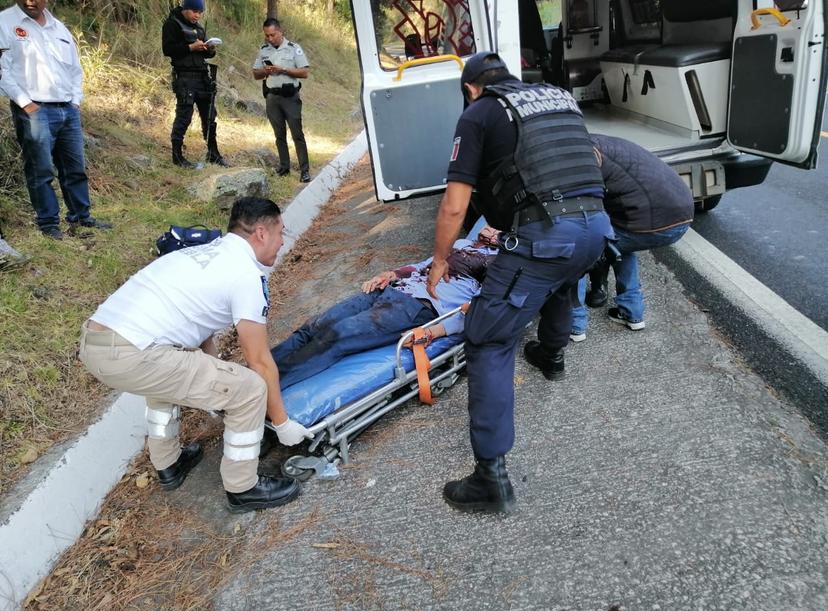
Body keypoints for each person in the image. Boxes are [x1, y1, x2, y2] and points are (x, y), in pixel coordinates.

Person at [426, 52, 614, 514]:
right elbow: (589, 158)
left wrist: (439, 259)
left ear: (470, 88)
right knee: (559, 281)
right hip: (596, 228)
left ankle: (490, 478)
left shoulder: (480, 112)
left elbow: (454, 205)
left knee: (487, 338)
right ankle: (551, 357)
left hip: (548, 235)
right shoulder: (559, 98)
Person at [78, 197, 313, 514]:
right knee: (249, 389)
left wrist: (216, 378)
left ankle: (169, 465)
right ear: (261, 233)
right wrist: (283, 424)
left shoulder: (201, 252)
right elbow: (259, 361)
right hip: (134, 352)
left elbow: (195, 328)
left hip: (98, 342)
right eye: (281, 232)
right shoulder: (245, 276)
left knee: (167, 375)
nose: (282, 241)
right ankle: (243, 488)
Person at [271, 227, 500, 388]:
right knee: (314, 326)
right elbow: (423, 265)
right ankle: (253, 375)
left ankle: (264, 392)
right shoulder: (462, 243)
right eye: (489, 225)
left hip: (417, 306)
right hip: (393, 289)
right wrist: (391, 274)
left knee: (336, 335)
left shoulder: (497, 263)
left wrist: (434, 331)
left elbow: (478, 309)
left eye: (497, 230)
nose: (489, 230)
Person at [0, 0, 111, 240]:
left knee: (75, 169)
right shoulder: (5, 22)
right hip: (33, 111)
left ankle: (81, 216)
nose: (30, 1)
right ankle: (48, 223)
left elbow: (75, 69)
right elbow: (2, 70)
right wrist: (26, 103)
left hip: (67, 110)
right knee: (40, 170)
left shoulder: (59, 28)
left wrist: (75, 101)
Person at [569, 134, 694, 339]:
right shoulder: (605, 144)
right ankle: (632, 313)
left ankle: (575, 324)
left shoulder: (586, 154)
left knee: (581, 248)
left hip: (652, 223)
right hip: (682, 217)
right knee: (622, 246)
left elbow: (583, 209)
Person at [162, 0, 228, 168]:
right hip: (184, 77)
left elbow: (207, 54)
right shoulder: (172, 24)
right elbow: (168, 49)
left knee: (210, 117)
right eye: (194, 11)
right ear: (185, 9)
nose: (197, 15)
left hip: (202, 77)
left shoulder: (198, 27)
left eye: (200, 12)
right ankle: (177, 157)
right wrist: (191, 47)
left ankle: (213, 153)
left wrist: (209, 48)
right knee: (184, 117)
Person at [252, 18, 311, 183]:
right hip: (272, 97)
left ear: (280, 31)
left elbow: (304, 72)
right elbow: (255, 74)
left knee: (297, 134)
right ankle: (284, 167)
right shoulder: (264, 50)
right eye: (267, 36)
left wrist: (283, 69)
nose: (270, 39)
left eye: (273, 35)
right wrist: (266, 70)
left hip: (290, 97)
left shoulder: (293, 49)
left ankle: (304, 171)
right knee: (279, 135)